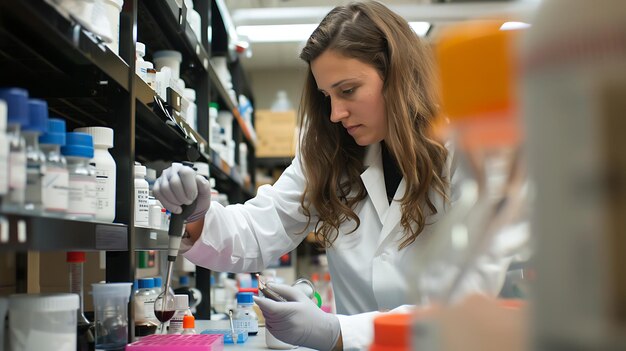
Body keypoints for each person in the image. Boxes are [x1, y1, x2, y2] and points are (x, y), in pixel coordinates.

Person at [154, 1, 507, 350]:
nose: (336, 113)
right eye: (327, 96)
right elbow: (264, 227)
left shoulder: (470, 152)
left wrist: (336, 332)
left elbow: (467, 304)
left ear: (397, 75)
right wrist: (199, 217)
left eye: (348, 90)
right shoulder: (328, 156)